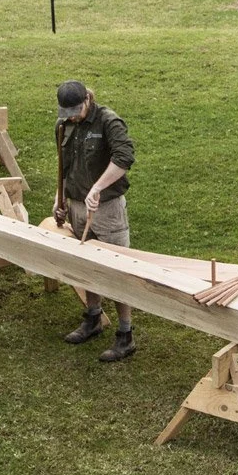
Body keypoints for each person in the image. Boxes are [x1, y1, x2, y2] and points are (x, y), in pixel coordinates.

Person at [53, 79, 139, 362]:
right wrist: (59, 199)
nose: (72, 117)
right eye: (67, 113)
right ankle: (93, 318)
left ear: (87, 101)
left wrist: (98, 188)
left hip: (106, 209)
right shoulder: (64, 124)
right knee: (86, 265)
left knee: (117, 270)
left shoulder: (108, 122)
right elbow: (63, 165)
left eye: (76, 111)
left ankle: (125, 336)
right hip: (76, 207)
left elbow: (125, 157)